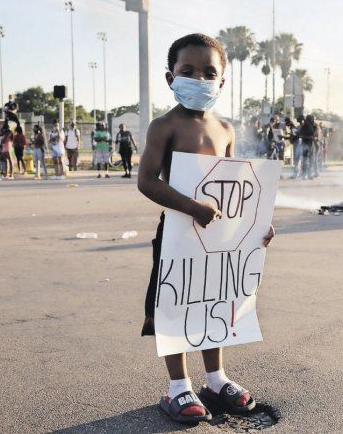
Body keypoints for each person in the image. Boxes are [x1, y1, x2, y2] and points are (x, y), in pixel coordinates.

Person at [137, 33, 275, 425]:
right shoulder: (163, 127)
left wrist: (258, 226)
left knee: (215, 302)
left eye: (208, 72)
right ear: (171, 78)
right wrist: (192, 207)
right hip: (178, 234)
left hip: (218, 236)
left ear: (222, 80)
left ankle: (216, 379)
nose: (199, 79)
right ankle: (178, 386)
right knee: (175, 306)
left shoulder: (225, 129)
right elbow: (147, 181)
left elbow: (237, 187)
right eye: (188, 71)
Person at [299, 114, 316, 179]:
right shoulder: (304, 127)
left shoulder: (313, 126)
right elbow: (301, 135)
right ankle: (305, 174)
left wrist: (314, 137)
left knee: (310, 160)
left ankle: (309, 174)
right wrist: (310, 137)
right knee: (305, 160)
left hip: (311, 145)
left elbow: (315, 135)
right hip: (306, 144)